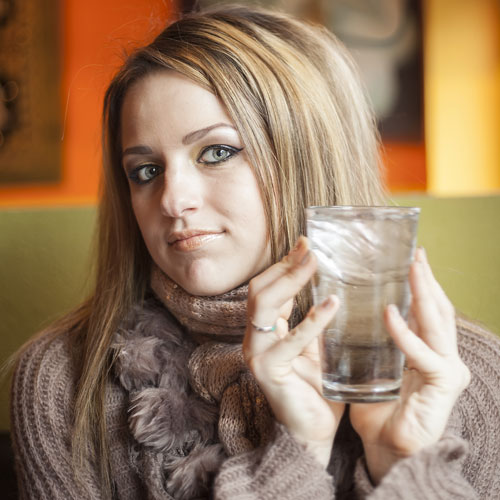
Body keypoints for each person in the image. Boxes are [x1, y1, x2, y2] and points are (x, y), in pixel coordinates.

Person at [10, 4, 500, 499]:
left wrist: (398, 462)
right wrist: (298, 453)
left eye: (217, 152)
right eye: (146, 171)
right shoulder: (63, 377)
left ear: (306, 157)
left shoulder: (466, 376)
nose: (173, 201)